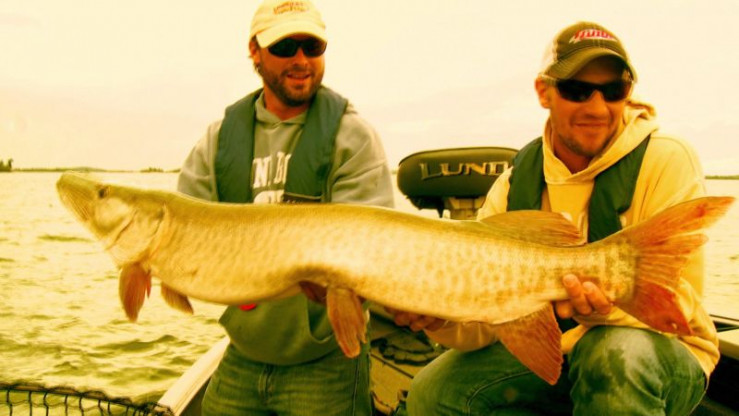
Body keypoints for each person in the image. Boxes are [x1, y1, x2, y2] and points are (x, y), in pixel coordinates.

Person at [393, 21, 719, 415]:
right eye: (576, 90)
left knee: (613, 354)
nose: (596, 108)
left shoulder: (666, 159)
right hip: (560, 350)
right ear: (543, 92)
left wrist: (605, 309)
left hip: (662, 351)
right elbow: (486, 322)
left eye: (614, 90)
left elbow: (679, 305)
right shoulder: (514, 184)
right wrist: (439, 317)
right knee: (434, 391)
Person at [176, 0, 394, 414]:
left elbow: (370, 255)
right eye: (284, 47)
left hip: (326, 358)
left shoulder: (353, 137)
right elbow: (183, 229)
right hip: (243, 353)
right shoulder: (218, 139)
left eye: (312, 47)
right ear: (254, 51)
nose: (300, 60)